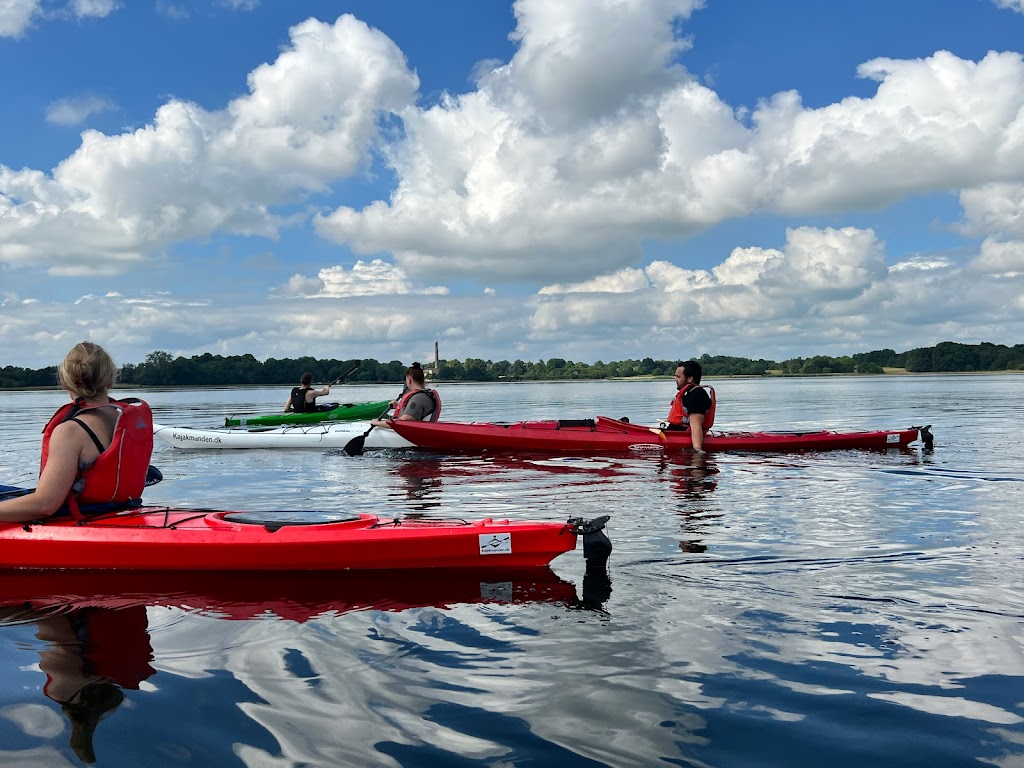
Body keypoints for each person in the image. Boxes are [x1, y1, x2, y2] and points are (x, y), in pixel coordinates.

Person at [0, 342, 154, 523]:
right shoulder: (128, 422)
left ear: (65, 382)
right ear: (110, 380)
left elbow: (45, 505)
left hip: (82, 516)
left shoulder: (70, 432)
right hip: (123, 508)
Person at [664, 360, 715, 452]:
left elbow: (696, 426)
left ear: (689, 379)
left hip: (682, 436)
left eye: (678, 376)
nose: (675, 379)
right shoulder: (689, 393)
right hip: (674, 433)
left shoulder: (697, 395)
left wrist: (697, 450)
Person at [371, 362, 441, 427]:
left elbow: (404, 422)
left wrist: (378, 423)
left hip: (414, 436)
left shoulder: (418, 398)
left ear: (409, 380)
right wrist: (399, 406)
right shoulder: (425, 395)